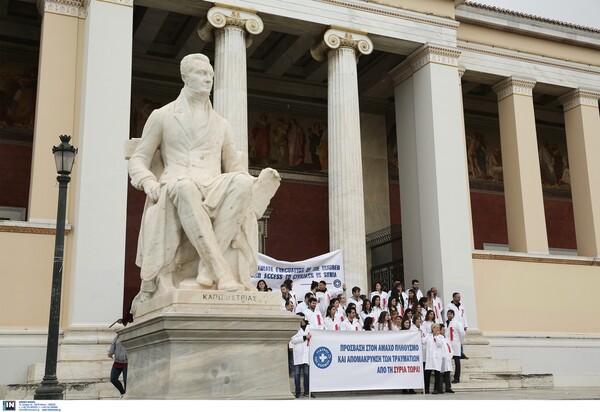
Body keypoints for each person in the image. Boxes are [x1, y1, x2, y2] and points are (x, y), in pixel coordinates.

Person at [128, 53, 280, 310]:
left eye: (210, 75)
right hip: (175, 182)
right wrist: (149, 182)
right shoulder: (162, 116)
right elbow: (138, 160)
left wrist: (258, 183)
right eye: (201, 74)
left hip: (213, 183)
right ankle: (218, 271)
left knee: (241, 184)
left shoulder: (222, 124)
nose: (208, 79)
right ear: (185, 77)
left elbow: (235, 168)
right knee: (185, 188)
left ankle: (206, 271)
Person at [291, 314, 311, 398]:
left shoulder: (310, 327)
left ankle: (307, 391)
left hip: (307, 353)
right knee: (297, 374)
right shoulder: (294, 328)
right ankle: (297, 391)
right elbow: (293, 340)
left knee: (307, 373)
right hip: (298, 353)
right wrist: (304, 337)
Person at [422, 323, 444, 394]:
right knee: (427, 374)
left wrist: (436, 337)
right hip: (429, 358)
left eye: (438, 328)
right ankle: (426, 389)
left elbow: (439, 344)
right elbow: (423, 341)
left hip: (437, 358)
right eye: (436, 327)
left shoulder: (441, 337)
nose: (437, 329)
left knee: (437, 374)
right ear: (432, 329)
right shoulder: (428, 336)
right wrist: (419, 334)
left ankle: (436, 389)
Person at [446, 292, 469, 359]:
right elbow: (448, 315)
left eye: (460, 297)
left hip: (461, 324)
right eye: (458, 297)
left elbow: (463, 315)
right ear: (454, 298)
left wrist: (465, 325)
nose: (459, 298)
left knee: (461, 338)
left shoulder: (461, 306)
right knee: (454, 340)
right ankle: (455, 353)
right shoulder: (449, 305)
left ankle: (461, 353)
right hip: (453, 324)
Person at [446, 309, 465, 383]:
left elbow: (462, 333)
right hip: (448, 345)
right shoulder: (446, 323)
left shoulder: (457, 323)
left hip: (455, 344)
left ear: (453, 315)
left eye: (450, 314)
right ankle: (446, 378)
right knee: (448, 361)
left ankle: (457, 377)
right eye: (448, 314)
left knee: (457, 361)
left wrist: (460, 341)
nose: (449, 315)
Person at [108, 333, 128, 398]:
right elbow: (113, 343)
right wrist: (111, 352)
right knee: (113, 379)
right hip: (117, 361)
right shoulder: (119, 334)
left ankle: (127, 396)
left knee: (126, 381)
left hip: (127, 362)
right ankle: (123, 393)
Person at [439, 324, 455, 393]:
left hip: (448, 358)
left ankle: (448, 387)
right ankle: (440, 388)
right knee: (441, 374)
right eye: (442, 330)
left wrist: (450, 355)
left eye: (444, 330)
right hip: (442, 359)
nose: (444, 331)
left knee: (447, 374)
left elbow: (450, 347)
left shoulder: (446, 339)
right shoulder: (438, 338)